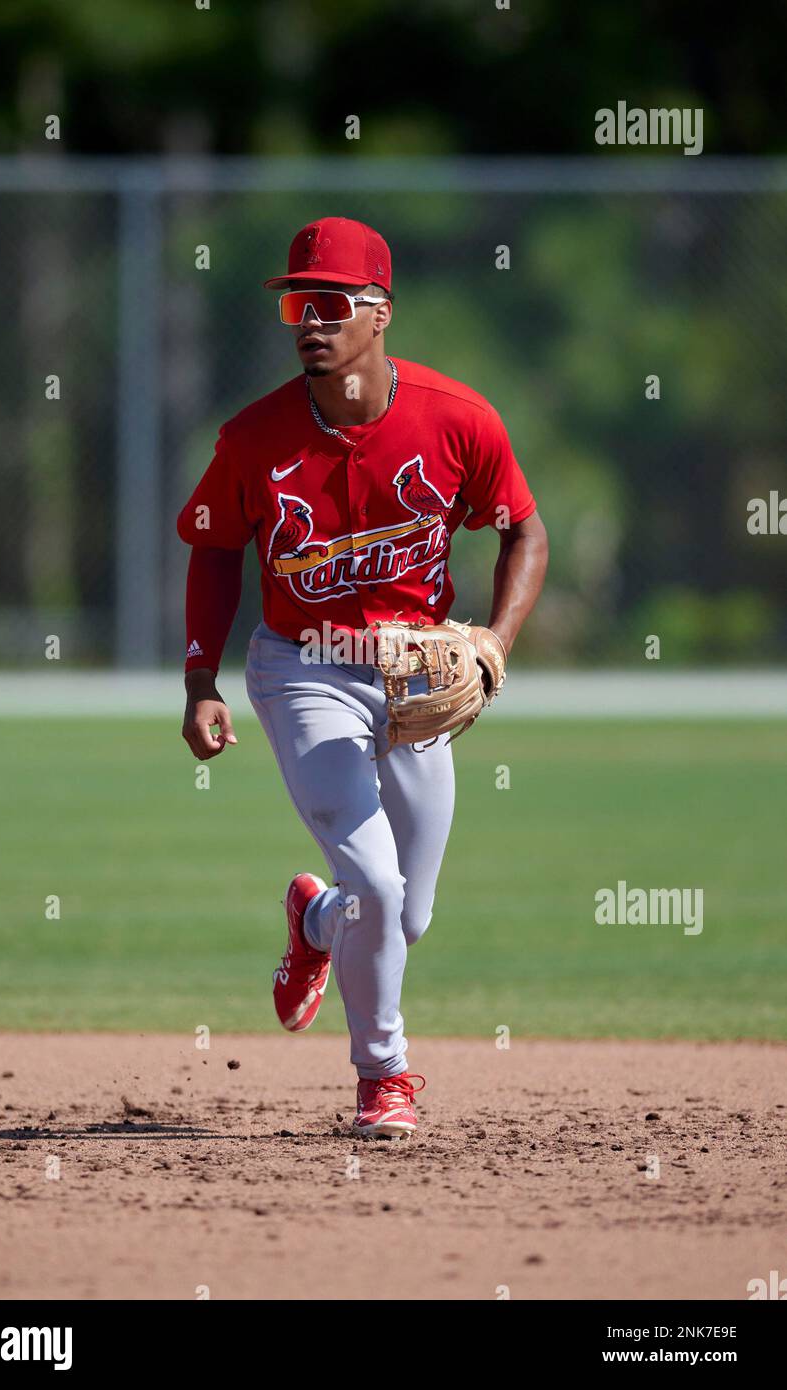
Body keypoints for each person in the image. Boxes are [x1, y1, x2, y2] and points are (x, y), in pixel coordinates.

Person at [177, 217, 548, 1137]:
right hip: (304, 668)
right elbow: (216, 550)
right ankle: (383, 1075)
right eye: (299, 303)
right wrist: (200, 681)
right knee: (379, 893)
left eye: (331, 302)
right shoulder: (255, 438)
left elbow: (523, 529)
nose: (310, 320)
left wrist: (496, 642)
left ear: (379, 313)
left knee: (403, 916)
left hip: (419, 680)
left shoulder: (457, 419)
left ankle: (314, 922)